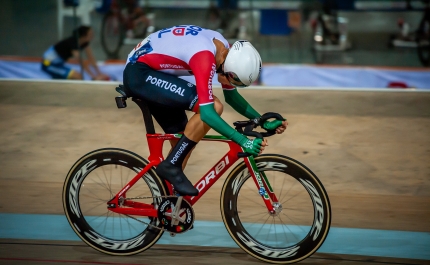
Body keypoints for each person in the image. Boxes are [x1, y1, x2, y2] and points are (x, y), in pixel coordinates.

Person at [122, 25, 288, 196]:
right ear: (228, 65)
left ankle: (166, 205)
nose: (229, 82)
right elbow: (208, 113)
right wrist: (243, 141)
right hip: (139, 74)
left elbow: (231, 96)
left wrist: (261, 121)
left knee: (184, 144)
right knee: (214, 107)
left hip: (154, 72)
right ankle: (170, 166)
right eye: (232, 78)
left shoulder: (224, 51)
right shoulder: (204, 57)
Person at [41, 26, 109, 80]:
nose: (93, 36)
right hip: (48, 64)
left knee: (77, 77)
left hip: (58, 64)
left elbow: (91, 58)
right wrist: (93, 76)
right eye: (90, 34)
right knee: (78, 77)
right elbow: (81, 62)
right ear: (83, 36)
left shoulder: (84, 43)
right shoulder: (73, 43)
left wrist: (100, 74)